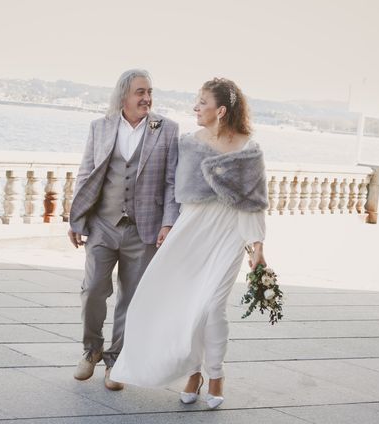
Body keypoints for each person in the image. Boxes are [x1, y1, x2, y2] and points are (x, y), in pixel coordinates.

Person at [111, 77, 268, 409]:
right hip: (190, 231)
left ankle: (216, 375)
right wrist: (166, 224)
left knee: (211, 308)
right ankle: (193, 373)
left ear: (221, 110)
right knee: (184, 307)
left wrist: (257, 246)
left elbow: (253, 203)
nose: (195, 108)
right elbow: (168, 187)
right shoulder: (188, 143)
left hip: (227, 233)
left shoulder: (249, 149)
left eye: (202, 103)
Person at [68, 69, 180, 391]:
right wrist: (76, 219)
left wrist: (168, 223)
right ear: (123, 96)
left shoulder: (167, 130)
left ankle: (116, 361)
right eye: (140, 92)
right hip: (103, 225)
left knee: (130, 299)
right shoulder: (100, 127)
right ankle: (91, 349)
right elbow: (85, 174)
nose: (146, 98)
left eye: (149, 92)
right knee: (92, 291)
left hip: (143, 230)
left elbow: (172, 182)